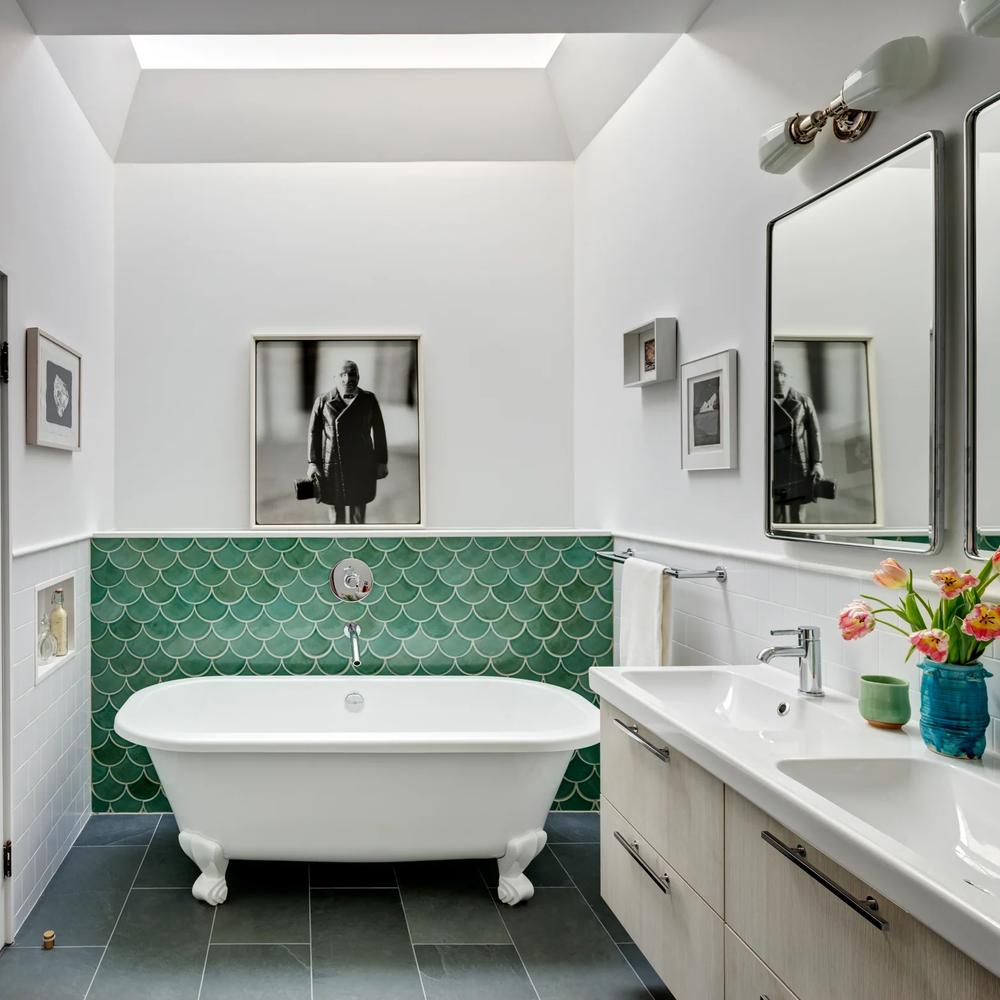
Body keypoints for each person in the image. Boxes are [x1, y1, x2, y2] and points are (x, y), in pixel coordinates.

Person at [307, 360, 388, 525]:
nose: (347, 379)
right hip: (332, 465)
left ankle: (358, 544)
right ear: (335, 377)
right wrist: (313, 463)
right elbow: (313, 434)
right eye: (342, 374)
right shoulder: (323, 401)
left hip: (362, 464)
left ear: (358, 377)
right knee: (336, 514)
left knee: (359, 513)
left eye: (352, 374)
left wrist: (381, 461)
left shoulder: (369, 400)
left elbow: (379, 432)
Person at [772, 359, 824, 524]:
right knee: (774, 517)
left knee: (798, 518)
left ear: (789, 377)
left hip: (798, 466)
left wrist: (817, 463)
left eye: (783, 374)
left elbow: (815, 433)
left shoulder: (803, 401)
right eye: (774, 374)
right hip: (773, 468)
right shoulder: (760, 402)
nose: (779, 379)